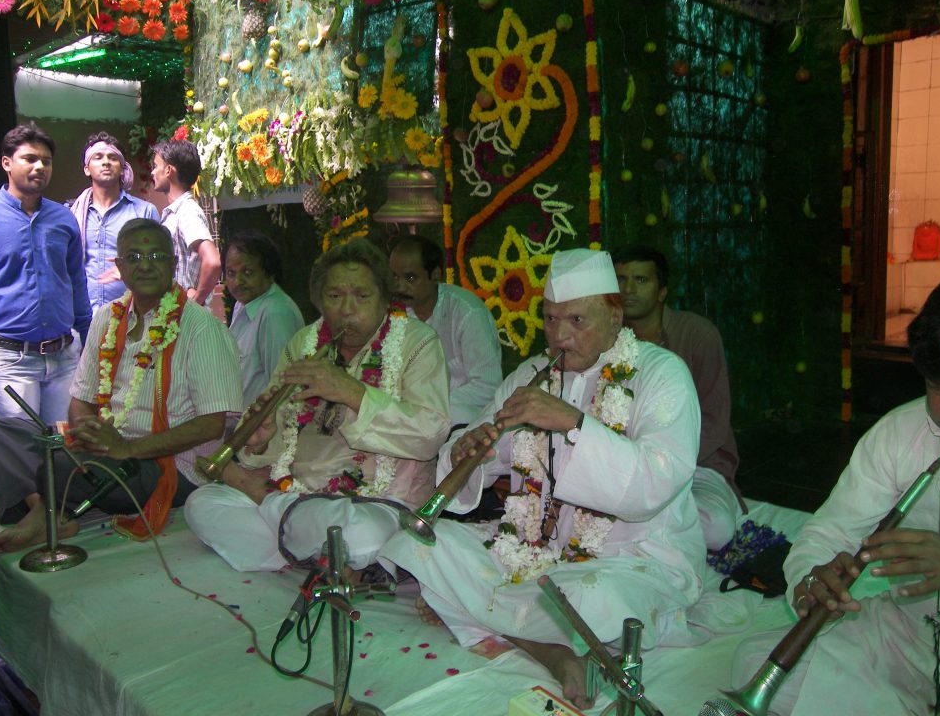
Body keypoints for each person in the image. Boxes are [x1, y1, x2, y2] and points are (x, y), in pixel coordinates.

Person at [380, 248, 705, 710]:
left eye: (576, 320)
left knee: (592, 599)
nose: (560, 336)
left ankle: (496, 621)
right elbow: (477, 450)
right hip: (536, 545)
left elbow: (655, 483)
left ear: (615, 317)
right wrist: (468, 452)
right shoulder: (531, 375)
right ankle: (552, 649)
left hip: (630, 552)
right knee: (418, 545)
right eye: (551, 320)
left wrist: (572, 422)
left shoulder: (662, 374)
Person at [730, 279, 940, 716]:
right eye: (933, 384)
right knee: (756, 665)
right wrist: (811, 581)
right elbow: (829, 531)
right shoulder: (899, 433)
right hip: (907, 634)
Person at [184, 238, 451, 572]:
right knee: (202, 503)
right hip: (296, 489)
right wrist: (261, 440)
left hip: (377, 502)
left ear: (385, 299)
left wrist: (351, 391)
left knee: (362, 534)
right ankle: (318, 548)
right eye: (335, 296)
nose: (347, 310)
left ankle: (287, 529)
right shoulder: (305, 344)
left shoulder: (418, 342)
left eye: (362, 296)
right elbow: (279, 446)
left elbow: (429, 435)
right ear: (319, 301)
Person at [0, 218, 242, 553]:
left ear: (174, 263)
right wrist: (89, 432)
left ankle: (49, 508)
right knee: (4, 434)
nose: (145, 266)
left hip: (166, 465)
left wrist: (126, 448)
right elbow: (82, 399)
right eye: (134, 258)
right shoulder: (107, 317)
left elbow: (212, 426)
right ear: (119, 267)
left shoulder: (201, 328)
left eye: (156, 257)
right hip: (110, 450)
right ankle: (45, 510)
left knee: (60, 465)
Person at [0, 123, 91, 424]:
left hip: (65, 355)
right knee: (23, 455)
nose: (40, 166)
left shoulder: (63, 218)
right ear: (7, 163)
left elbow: (76, 282)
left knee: (64, 447)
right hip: (11, 358)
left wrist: (90, 341)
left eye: (46, 160)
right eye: (29, 158)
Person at [613, 245, 745, 550]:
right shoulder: (607, 336)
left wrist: (663, 469)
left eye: (641, 280)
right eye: (620, 279)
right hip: (627, 466)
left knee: (716, 528)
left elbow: (714, 420)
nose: (628, 289)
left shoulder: (697, 335)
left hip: (696, 467)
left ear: (662, 291)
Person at [389, 234, 501, 427]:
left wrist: (428, 405)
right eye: (395, 277)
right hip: (411, 412)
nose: (400, 286)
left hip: (461, 414)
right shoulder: (395, 313)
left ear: (435, 275)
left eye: (410, 278)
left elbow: (487, 386)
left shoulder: (467, 312)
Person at [68, 131, 160, 310]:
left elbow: (161, 261)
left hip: (131, 317)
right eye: (98, 157)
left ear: (122, 167)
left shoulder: (143, 212)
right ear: (87, 168)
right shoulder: (71, 214)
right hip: (82, 321)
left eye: (112, 157)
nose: (106, 162)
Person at [223, 231, 304, 407]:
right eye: (230, 273)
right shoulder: (243, 303)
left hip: (260, 428)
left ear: (269, 272)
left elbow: (282, 390)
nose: (237, 281)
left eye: (247, 272)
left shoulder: (275, 313)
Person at [149, 139, 221, 306]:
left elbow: (212, 261)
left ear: (168, 171)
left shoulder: (187, 211)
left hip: (183, 318)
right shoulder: (176, 212)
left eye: (155, 166)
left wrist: (195, 303)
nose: (152, 172)